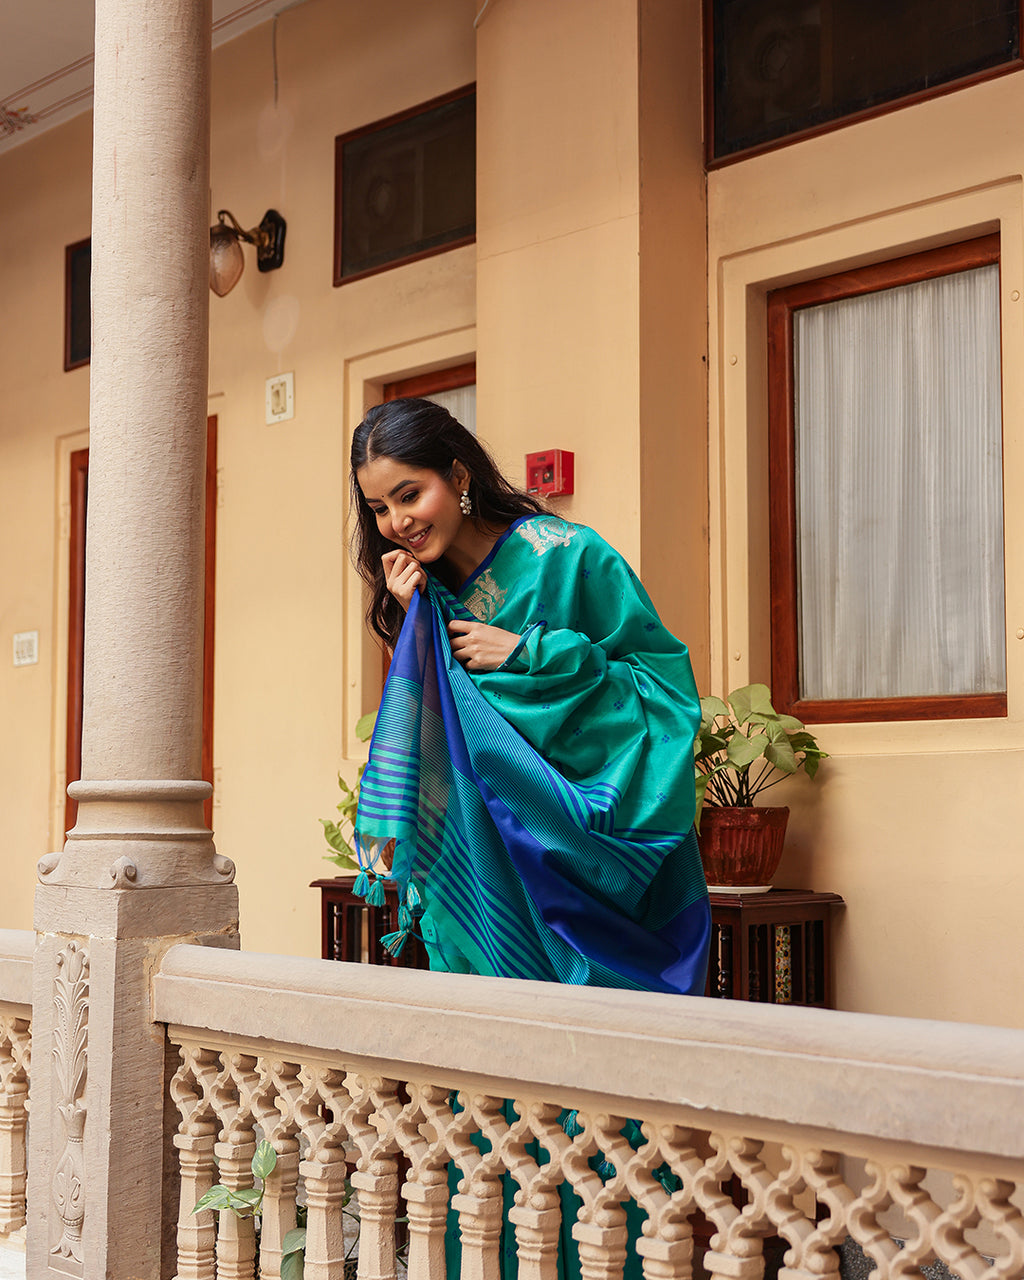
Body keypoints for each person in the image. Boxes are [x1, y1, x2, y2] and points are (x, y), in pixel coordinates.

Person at [349, 397, 710, 997]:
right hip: (497, 856)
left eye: (409, 495)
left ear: (459, 476)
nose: (397, 522)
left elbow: (664, 691)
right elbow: (451, 733)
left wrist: (530, 654)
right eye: (380, 508)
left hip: (602, 847)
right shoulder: (425, 594)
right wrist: (420, 623)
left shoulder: (567, 556)